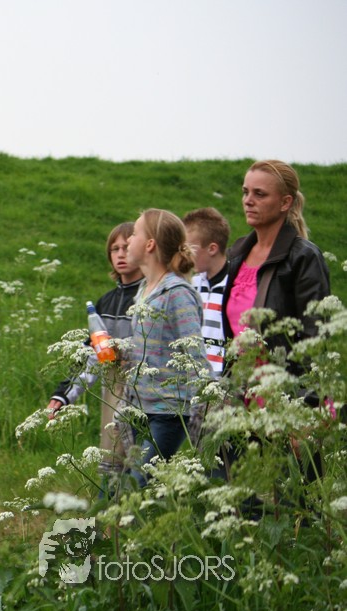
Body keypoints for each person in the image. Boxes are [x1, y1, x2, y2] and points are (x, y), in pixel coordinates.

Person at [217, 160, 331, 484]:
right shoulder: (237, 255)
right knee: (237, 495)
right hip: (241, 398)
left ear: (285, 202)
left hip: (287, 399)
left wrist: (306, 408)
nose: (248, 200)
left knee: (293, 500)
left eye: (260, 194)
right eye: (245, 192)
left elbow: (316, 338)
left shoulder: (303, 257)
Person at [46, 222, 144, 491]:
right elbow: (91, 355)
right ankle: (111, 516)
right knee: (112, 472)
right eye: (115, 249)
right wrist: (63, 395)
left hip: (145, 398)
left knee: (144, 471)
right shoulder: (105, 302)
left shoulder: (150, 297)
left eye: (126, 247)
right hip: (112, 398)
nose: (121, 254)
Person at [120, 208, 208, 488]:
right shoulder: (145, 289)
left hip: (168, 412)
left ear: (149, 244)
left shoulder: (177, 293)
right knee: (126, 490)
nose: (128, 240)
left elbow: (195, 355)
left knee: (136, 489)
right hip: (138, 407)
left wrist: (203, 411)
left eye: (134, 234)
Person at [182, 207, 230, 376]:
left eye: (190, 248)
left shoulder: (235, 286)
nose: (186, 254)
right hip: (192, 379)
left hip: (224, 379)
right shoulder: (191, 285)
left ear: (212, 249)